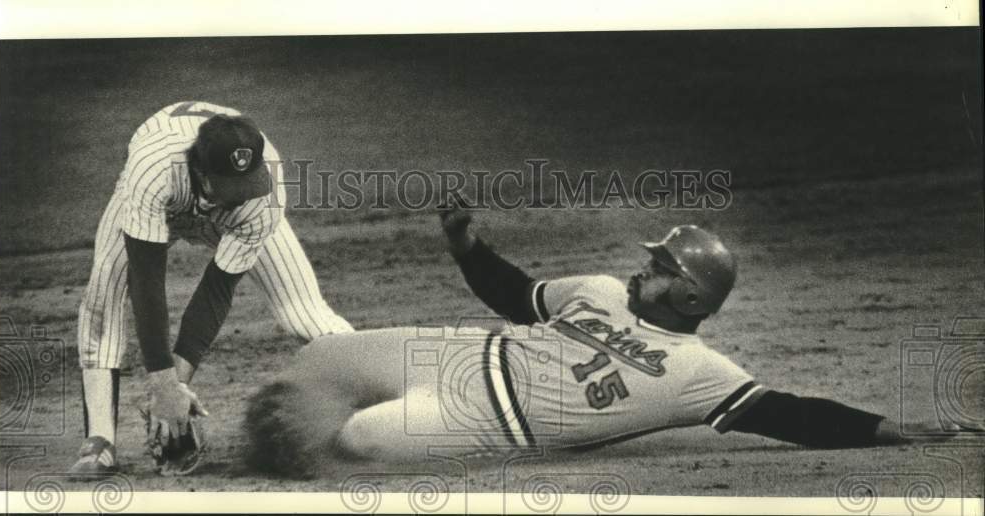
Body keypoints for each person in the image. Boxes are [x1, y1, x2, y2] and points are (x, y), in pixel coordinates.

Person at [244, 205, 946, 477]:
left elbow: (792, 416)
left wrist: (893, 430)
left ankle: (286, 458)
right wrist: (467, 247)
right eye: (653, 259)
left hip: (487, 423)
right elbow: (515, 298)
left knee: (359, 440)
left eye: (663, 269)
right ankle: (275, 429)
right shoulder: (603, 289)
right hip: (464, 351)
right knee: (322, 356)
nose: (647, 268)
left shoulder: (698, 373)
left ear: (694, 298)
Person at [70, 101, 353, 477]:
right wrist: (163, 384)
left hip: (229, 220)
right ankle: (100, 441)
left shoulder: (261, 193)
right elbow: (147, 281)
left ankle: (377, 403)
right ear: (201, 171)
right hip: (159, 202)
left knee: (304, 313)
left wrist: (177, 388)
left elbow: (217, 289)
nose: (242, 193)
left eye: (247, 183)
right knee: (104, 297)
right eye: (230, 186)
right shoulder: (153, 171)